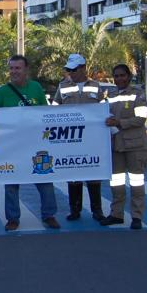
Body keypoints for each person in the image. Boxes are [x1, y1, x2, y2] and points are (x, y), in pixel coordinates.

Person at [0, 55, 61, 231]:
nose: (14, 71)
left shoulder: (36, 88)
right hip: (12, 146)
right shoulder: (2, 92)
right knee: (11, 183)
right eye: (11, 68)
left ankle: (49, 215)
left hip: (35, 144)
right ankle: (12, 218)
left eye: (18, 68)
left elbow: (45, 114)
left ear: (25, 70)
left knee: (44, 179)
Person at [53, 53, 107, 222]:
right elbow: (54, 108)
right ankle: (75, 210)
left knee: (94, 175)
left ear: (83, 68)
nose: (71, 73)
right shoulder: (62, 86)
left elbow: (103, 109)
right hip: (71, 138)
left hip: (92, 139)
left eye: (74, 70)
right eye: (69, 70)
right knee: (73, 175)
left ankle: (97, 210)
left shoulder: (96, 86)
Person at [102, 63, 147, 229]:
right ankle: (117, 214)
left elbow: (141, 118)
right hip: (116, 146)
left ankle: (137, 217)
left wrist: (119, 122)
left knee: (136, 183)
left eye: (122, 75)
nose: (119, 79)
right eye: (116, 76)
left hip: (135, 145)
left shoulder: (138, 94)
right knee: (116, 183)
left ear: (128, 76)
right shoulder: (110, 95)